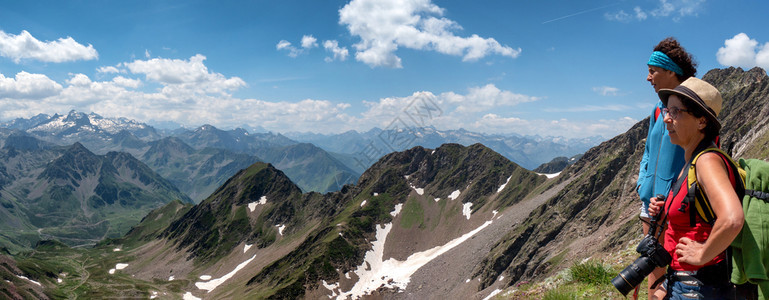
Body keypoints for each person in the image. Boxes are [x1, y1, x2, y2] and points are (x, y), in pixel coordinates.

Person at [648, 77, 743, 299]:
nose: (666, 119)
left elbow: (732, 218)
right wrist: (667, 211)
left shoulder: (706, 161)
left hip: (697, 285)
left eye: (675, 111)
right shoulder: (692, 162)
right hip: (687, 282)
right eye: (666, 110)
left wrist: (701, 253)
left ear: (702, 121)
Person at [637, 37, 697, 299]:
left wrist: (671, 197)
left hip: (671, 205)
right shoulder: (657, 111)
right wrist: (643, 183)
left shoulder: (691, 107)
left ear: (671, 71)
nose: (648, 78)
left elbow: (698, 158)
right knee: (653, 268)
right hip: (649, 203)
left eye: (653, 71)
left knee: (667, 269)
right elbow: (648, 152)